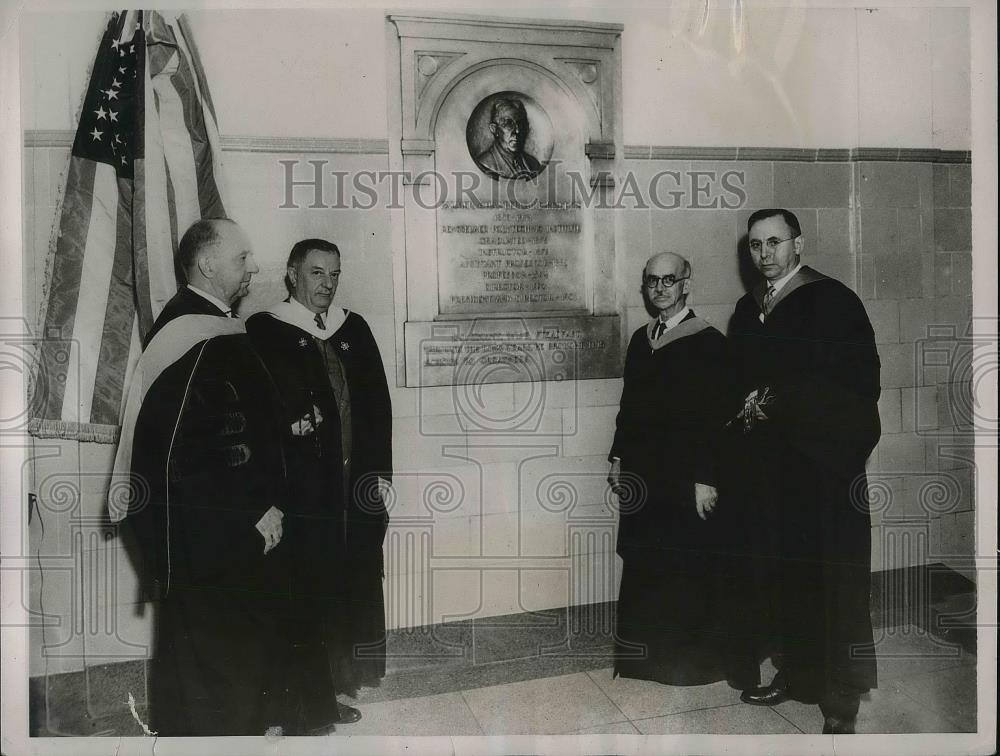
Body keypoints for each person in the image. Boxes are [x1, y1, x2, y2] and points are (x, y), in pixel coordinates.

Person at [109, 218, 292, 736]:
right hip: (220, 534)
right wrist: (259, 509)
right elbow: (217, 446)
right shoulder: (202, 337)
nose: (254, 267)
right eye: (242, 258)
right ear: (208, 265)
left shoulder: (191, 325)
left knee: (197, 659)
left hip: (196, 533)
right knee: (223, 665)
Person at [730, 209, 881, 734]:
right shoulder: (747, 312)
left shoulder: (833, 302)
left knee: (833, 580)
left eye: (775, 242)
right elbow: (735, 387)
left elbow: (859, 384)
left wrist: (780, 400)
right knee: (784, 577)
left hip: (823, 472)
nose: (764, 253)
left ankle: (841, 699)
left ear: (798, 243)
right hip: (772, 477)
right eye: (755, 245)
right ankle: (797, 674)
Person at [246, 238, 391, 734]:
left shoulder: (355, 328)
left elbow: (378, 410)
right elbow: (260, 414)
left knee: (349, 580)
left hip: (353, 485)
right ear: (292, 275)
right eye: (315, 273)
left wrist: (380, 476)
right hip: (304, 492)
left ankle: (335, 687)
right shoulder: (266, 330)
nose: (327, 284)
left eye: (334, 274)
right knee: (305, 588)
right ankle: (307, 700)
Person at [608, 252, 756, 689]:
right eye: (652, 280)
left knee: (687, 566)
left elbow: (720, 420)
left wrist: (707, 477)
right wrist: (619, 459)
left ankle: (690, 665)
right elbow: (629, 408)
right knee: (648, 563)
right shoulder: (641, 339)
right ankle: (647, 661)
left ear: (686, 285)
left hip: (687, 475)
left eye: (669, 280)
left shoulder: (709, 342)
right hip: (646, 474)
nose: (659, 288)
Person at [474, 97, 544, 180]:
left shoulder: (533, 164)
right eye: (508, 124)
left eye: (520, 124)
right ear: (494, 129)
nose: (517, 131)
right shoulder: (485, 163)